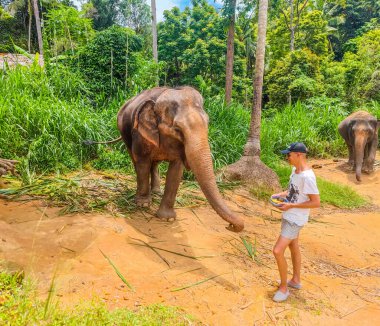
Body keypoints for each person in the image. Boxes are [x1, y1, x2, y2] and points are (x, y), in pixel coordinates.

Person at [271, 142, 320, 302]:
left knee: (277, 251)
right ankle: (296, 280)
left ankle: (284, 289)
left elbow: (315, 202)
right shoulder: (295, 171)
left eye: (289, 155)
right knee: (293, 246)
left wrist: (291, 205)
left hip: (295, 219)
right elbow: (293, 191)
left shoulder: (308, 177)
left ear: (299, 155)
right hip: (289, 215)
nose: (287, 157)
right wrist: (280, 194)